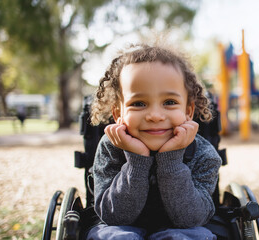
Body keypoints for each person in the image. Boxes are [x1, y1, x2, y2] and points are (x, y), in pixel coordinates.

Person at [87, 43, 222, 240]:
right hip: (120, 228)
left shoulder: (203, 153)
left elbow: (192, 219)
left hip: (183, 229)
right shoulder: (111, 147)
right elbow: (114, 217)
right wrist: (136, 161)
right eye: (139, 104)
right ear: (118, 113)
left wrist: (172, 160)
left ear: (188, 111)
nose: (155, 116)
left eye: (169, 102)